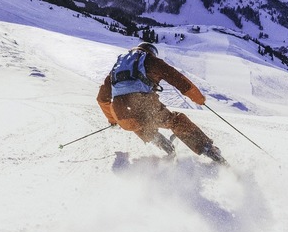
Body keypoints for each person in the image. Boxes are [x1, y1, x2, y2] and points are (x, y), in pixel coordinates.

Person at [97, 42, 226, 164]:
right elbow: (176, 78)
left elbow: (102, 98)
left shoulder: (117, 68)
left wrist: (113, 120)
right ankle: (209, 150)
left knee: (137, 123)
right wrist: (198, 98)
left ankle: (165, 146)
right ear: (151, 52)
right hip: (142, 104)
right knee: (175, 121)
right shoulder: (150, 60)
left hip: (120, 114)